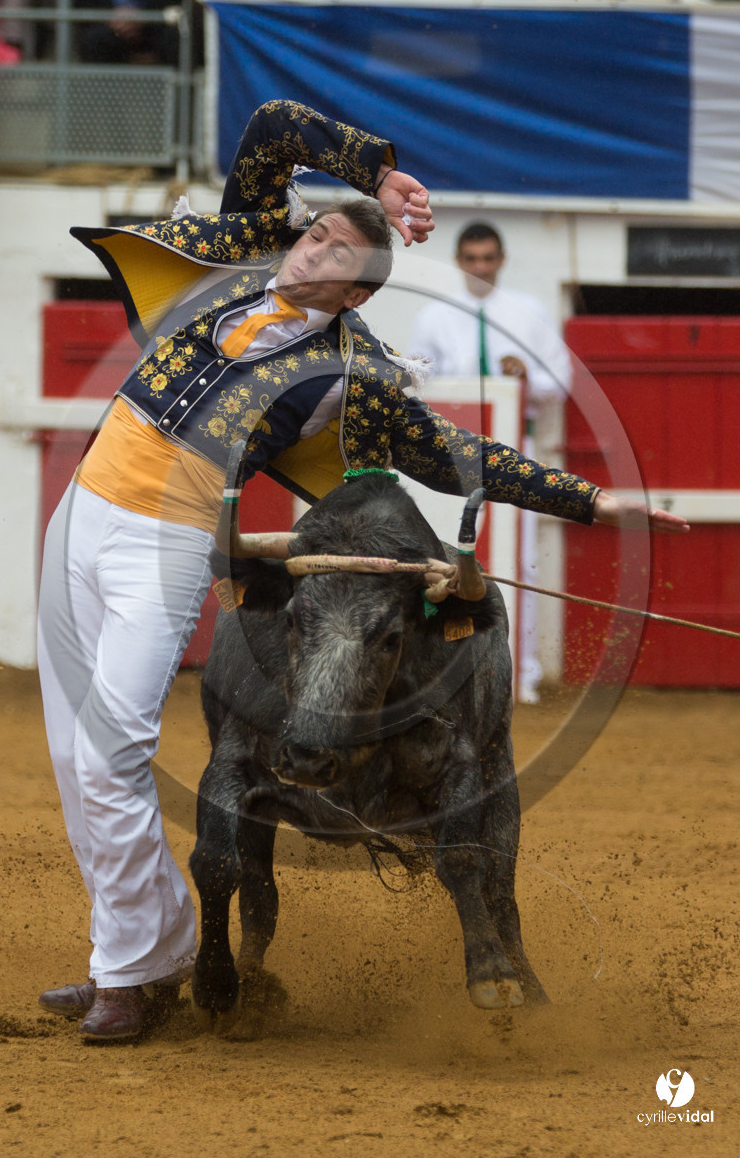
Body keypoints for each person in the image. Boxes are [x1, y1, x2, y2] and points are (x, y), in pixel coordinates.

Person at [36, 98, 688, 1043]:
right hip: (80, 517)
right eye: (317, 232)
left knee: (113, 755)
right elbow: (271, 125)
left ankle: (136, 973)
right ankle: (129, 954)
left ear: (360, 293)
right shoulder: (240, 255)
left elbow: (451, 454)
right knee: (72, 756)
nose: (312, 249)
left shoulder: (351, 376)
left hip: (167, 541)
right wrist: (374, 170)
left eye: (338, 253)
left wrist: (589, 501)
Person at [408, 220, 572, 703]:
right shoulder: (435, 316)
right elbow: (417, 384)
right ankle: (443, 673)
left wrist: (527, 378)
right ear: (459, 261)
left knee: (521, 561)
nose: (480, 267)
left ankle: (521, 673)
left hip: (514, 448)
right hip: (451, 455)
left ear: (500, 261)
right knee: (440, 557)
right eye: (472, 259)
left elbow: (559, 382)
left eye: (488, 258)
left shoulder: (529, 312)